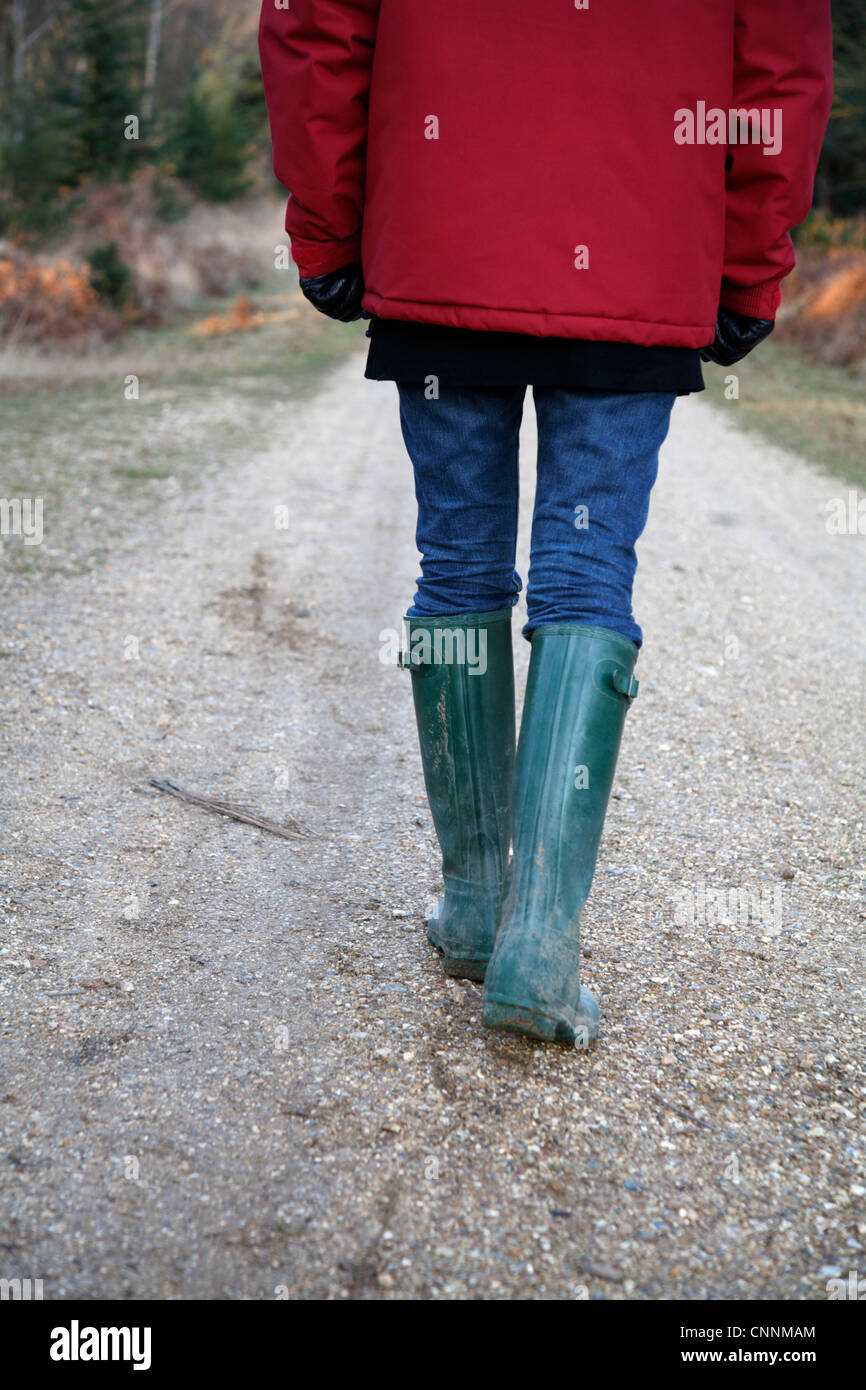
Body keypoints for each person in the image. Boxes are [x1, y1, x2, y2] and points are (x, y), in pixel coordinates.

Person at [259, 1, 833, 1045]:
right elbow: (776, 73)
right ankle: (537, 941)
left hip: (443, 239)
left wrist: (327, 227)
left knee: (458, 561)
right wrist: (748, 258)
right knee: (585, 575)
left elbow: (315, 33)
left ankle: (475, 901)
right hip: (639, 239)